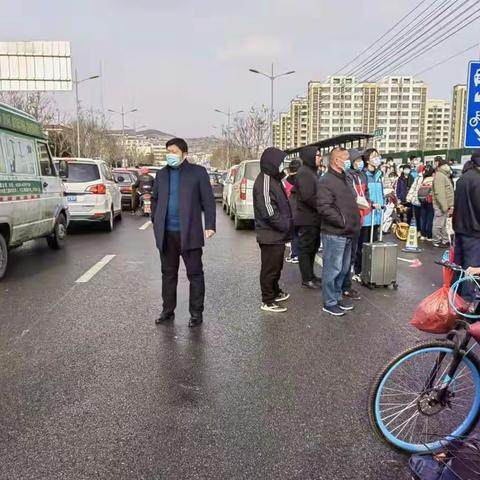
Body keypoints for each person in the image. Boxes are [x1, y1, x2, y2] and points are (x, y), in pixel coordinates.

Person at [151, 138, 216, 328]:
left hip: (190, 233)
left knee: (195, 274)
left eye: (174, 151)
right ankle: (167, 310)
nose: (170, 155)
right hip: (166, 234)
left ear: (184, 154)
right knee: (168, 274)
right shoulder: (161, 175)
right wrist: (155, 219)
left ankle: (196, 313)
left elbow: (208, 201)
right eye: (168, 151)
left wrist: (210, 224)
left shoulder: (197, 172)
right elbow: (155, 199)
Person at [317, 148, 361, 316]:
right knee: (332, 268)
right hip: (335, 232)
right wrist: (342, 221)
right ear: (335, 161)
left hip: (348, 232)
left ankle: (336, 296)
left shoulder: (345, 178)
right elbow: (324, 207)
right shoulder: (325, 181)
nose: (349, 162)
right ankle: (329, 302)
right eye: (346, 159)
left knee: (343, 269)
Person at [253, 147, 293, 313]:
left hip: (277, 234)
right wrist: (284, 225)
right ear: (272, 162)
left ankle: (275, 291)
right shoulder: (264, 182)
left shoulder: (274, 179)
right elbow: (269, 211)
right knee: (269, 268)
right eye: (281, 161)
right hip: (270, 234)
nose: (283, 165)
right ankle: (267, 299)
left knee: (276, 266)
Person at [353, 148, 384, 283]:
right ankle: (358, 270)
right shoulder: (362, 175)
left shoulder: (378, 174)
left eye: (378, 156)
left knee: (374, 244)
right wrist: (370, 205)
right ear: (367, 160)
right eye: (374, 156)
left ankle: (371, 270)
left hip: (377, 215)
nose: (377, 158)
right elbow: (361, 195)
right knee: (362, 246)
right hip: (366, 216)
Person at [342, 149, 369, 300]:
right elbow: (352, 196)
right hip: (350, 218)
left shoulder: (362, 175)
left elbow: (366, 193)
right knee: (346, 256)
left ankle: (346, 285)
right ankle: (343, 286)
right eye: (356, 160)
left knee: (352, 253)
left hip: (359, 217)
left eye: (360, 159)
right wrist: (362, 205)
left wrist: (367, 205)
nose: (359, 162)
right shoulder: (347, 176)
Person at [453, 152, 480, 293]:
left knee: (459, 265)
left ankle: (454, 297)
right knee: (472, 268)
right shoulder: (478, 180)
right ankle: (467, 301)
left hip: (460, 228)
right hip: (475, 231)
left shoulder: (462, 178)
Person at [295, 146, 322, 289]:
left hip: (314, 218)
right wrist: (322, 206)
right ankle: (306, 278)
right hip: (307, 218)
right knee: (306, 248)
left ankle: (311, 275)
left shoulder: (312, 172)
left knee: (313, 247)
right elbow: (308, 197)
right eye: (317, 155)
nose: (320, 157)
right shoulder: (305, 173)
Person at [432, 156, 454, 247]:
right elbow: (439, 193)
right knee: (438, 223)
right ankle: (437, 240)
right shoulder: (440, 176)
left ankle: (444, 240)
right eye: (447, 165)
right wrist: (444, 206)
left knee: (443, 223)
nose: (448, 167)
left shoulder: (444, 175)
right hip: (440, 205)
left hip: (444, 205)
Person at [284, 158, 302, 264]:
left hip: (290, 211)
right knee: (300, 234)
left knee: (294, 234)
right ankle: (298, 255)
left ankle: (294, 254)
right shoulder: (302, 180)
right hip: (301, 211)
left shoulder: (286, 181)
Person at [417, 165, 435, 240]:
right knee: (430, 217)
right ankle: (429, 235)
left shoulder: (423, 179)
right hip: (430, 200)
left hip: (422, 199)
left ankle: (423, 234)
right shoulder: (434, 179)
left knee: (423, 217)